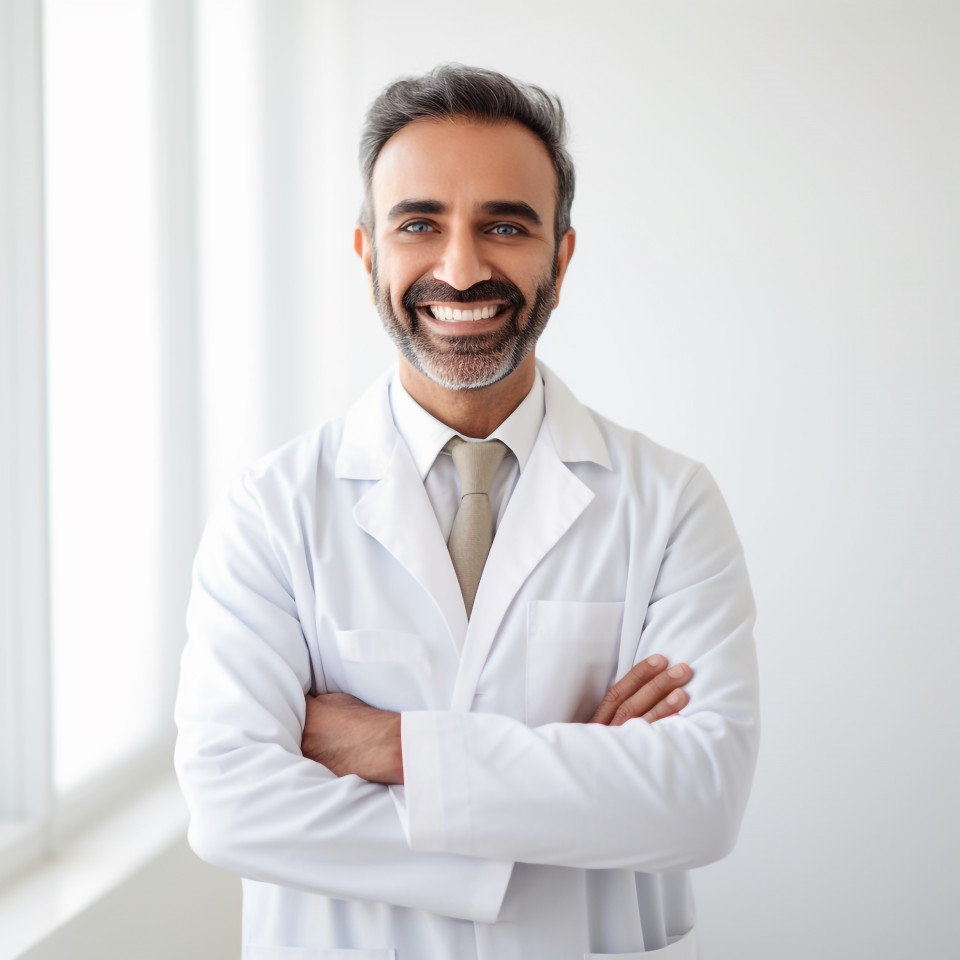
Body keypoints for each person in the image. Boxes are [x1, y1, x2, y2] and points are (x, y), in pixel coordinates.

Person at [174, 64, 759, 960]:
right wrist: (568, 795)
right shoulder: (272, 508)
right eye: (419, 224)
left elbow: (701, 799)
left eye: (504, 224)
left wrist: (390, 745)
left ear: (559, 260)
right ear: (369, 254)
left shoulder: (669, 502)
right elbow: (230, 804)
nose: (460, 266)